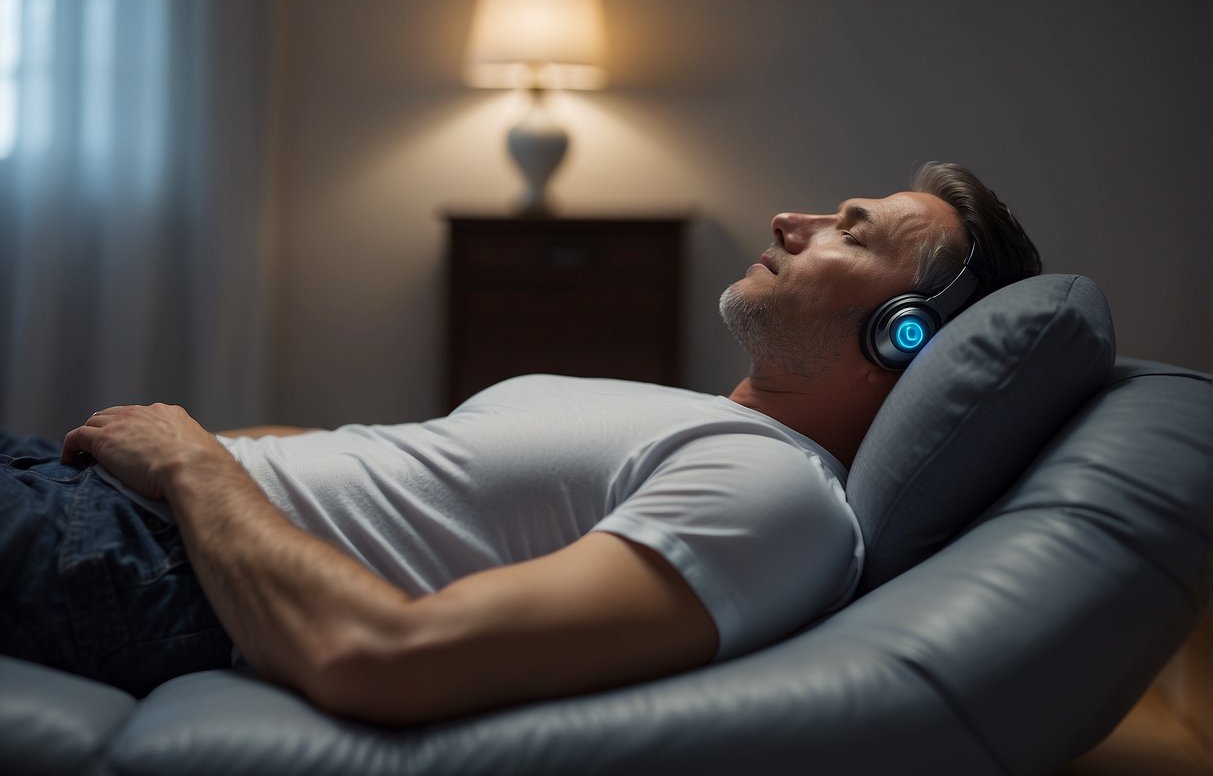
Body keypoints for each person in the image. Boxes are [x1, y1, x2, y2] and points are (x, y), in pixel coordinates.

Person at [0, 162, 1040, 725]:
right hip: (94, 490)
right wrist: (187, 446)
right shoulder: (707, 427)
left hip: (149, 561)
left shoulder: (775, 493)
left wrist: (190, 462)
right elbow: (389, 462)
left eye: (849, 232)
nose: (791, 217)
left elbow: (387, 659)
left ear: (898, 336)